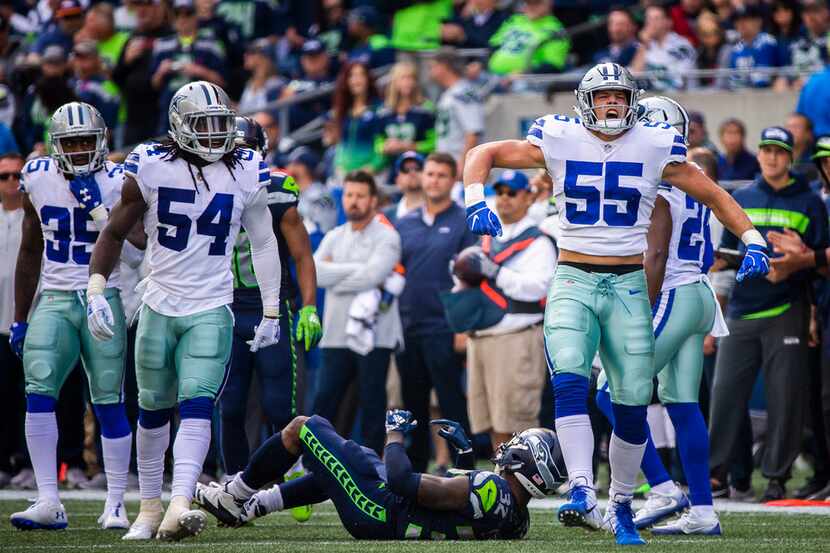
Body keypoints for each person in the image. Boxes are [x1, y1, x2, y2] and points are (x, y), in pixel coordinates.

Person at [461, 62, 769, 545]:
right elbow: (484, 151)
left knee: (630, 404)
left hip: (627, 284)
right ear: (586, 100)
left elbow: (711, 193)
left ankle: (621, 503)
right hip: (572, 276)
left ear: (632, 102)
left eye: (619, 97)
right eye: (603, 96)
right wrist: (475, 198)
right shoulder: (558, 136)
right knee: (569, 379)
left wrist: (752, 237)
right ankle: (582, 487)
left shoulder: (652, 143)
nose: (611, 104)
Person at [85, 81, 282, 541]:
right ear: (179, 126)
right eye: (204, 125)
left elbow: (264, 240)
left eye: (220, 125)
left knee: (196, 405)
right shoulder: (152, 164)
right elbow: (115, 232)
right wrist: (95, 289)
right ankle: (148, 510)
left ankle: (178, 502)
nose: (215, 135)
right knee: (152, 411)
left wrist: (272, 311)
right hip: (157, 302)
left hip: (212, 304)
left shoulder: (247, 167)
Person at [8, 102, 141, 531]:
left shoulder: (119, 180)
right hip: (55, 294)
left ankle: (116, 502)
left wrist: (103, 213)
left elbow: (140, 248)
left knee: (108, 399)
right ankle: (48, 498)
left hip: (106, 295)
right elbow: (30, 250)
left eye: (87, 141)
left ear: (101, 141)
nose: (81, 150)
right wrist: (20, 317)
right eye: (72, 142)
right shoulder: (38, 176)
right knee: (38, 388)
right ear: (56, 145)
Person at [594, 97, 723, 536]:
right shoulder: (695, 174)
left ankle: (664, 487)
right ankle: (704, 512)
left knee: (609, 392)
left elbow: (656, 253)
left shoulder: (662, 181)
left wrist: (637, 312)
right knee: (683, 405)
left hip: (672, 292)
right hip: (700, 293)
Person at [193, 412, 565, 540]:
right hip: (392, 515)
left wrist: (395, 432)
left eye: (521, 449)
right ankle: (254, 506)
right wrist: (466, 455)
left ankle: (236, 494)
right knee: (355, 458)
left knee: (304, 428)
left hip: (380, 508)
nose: (510, 450)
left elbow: (404, 480)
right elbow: (462, 506)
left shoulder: (490, 488)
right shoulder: (517, 519)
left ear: (531, 465)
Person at [708, 127, 829, 502]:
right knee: (725, 395)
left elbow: (820, 260)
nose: (772, 157)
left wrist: (794, 266)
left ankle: (776, 476)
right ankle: (717, 474)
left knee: (785, 399)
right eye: (766, 150)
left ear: (790, 157)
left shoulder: (809, 202)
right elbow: (723, 261)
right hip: (742, 310)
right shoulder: (741, 196)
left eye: (779, 151)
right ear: (758, 154)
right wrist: (716, 316)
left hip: (787, 308)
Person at [221, 117, 321, 480]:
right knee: (230, 405)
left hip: (272, 306)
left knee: (281, 405)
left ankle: (292, 473)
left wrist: (308, 307)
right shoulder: (205, 184)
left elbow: (301, 255)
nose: (239, 157)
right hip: (225, 307)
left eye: (246, 149)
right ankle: (235, 482)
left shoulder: (277, 188)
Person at [459, 170, 556, 450]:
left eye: (512, 193)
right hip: (481, 335)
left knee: (516, 419)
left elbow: (539, 288)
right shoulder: (487, 238)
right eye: (499, 192)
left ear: (529, 197)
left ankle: (520, 484)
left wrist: (496, 272)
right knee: (488, 418)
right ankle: (502, 481)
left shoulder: (538, 240)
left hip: (517, 336)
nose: (504, 199)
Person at [395, 151, 477, 473]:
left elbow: (471, 279)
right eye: (429, 174)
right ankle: (413, 476)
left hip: (445, 326)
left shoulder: (464, 221)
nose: (433, 180)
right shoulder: (404, 223)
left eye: (441, 175)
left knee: (450, 403)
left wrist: (463, 327)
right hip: (409, 326)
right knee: (412, 406)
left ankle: (465, 469)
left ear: (453, 179)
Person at [312, 171, 402, 455]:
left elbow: (372, 276)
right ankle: (316, 464)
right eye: (349, 195)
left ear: (373, 200)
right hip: (336, 333)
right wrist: (358, 269)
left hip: (377, 335)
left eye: (360, 195)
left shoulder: (387, 236)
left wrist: (337, 273)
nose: (353, 201)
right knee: (325, 403)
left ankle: (372, 468)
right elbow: (315, 274)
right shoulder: (334, 236)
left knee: (372, 404)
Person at [149, 0, 227, 134]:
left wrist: (199, 71)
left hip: (202, 111)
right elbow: (154, 85)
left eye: (188, 14)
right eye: (178, 14)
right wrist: (161, 72)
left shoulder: (211, 44)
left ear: (196, 16)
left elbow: (222, 82)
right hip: (170, 110)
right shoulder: (162, 45)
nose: (182, 19)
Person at [112, 0, 171, 145]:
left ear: (161, 8)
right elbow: (116, 79)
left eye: (147, 5)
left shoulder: (170, 37)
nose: (142, 10)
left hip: (161, 117)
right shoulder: (133, 38)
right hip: (133, 118)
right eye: (139, 5)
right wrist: (126, 62)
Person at [0, 153, 25, 489]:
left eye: (16, 176)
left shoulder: (33, 217)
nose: (10, 183)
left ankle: (27, 460)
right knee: (2, 394)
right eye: (3, 177)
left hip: (28, 319)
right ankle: (4, 459)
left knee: (32, 394)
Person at [430, 50, 484, 177]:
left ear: (443, 66)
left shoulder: (463, 93)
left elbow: (473, 132)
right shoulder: (449, 93)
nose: (431, 71)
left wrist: (464, 164)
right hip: (447, 163)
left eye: (433, 66)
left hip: (458, 164)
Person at [328, 61, 384, 178]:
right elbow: (341, 145)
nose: (356, 80)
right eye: (352, 75)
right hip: (344, 176)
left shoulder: (379, 109)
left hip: (371, 175)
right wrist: (339, 167)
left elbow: (383, 146)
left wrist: (371, 168)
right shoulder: (343, 111)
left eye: (361, 75)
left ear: (368, 79)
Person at [376, 61, 436, 165]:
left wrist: (411, 146)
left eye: (411, 78)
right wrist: (385, 147)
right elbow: (378, 143)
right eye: (403, 78)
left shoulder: (426, 109)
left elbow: (434, 143)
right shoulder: (383, 111)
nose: (408, 82)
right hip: (392, 168)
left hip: (419, 165)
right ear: (394, 81)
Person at [487, 0, 570, 75]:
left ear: (548, 4)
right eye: (528, 3)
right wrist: (480, 64)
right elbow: (494, 45)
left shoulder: (555, 30)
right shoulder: (514, 20)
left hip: (528, 81)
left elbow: (553, 65)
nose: (531, 7)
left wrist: (524, 73)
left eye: (536, 4)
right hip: (492, 75)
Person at [631, 4, 697, 91]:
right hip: (652, 97)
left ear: (668, 22)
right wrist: (644, 44)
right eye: (648, 18)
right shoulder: (645, 45)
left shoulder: (682, 46)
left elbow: (680, 82)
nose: (650, 23)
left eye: (656, 18)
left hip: (683, 97)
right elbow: (635, 76)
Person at [71, 41, 121, 135]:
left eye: (85, 57)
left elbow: (109, 126)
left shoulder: (106, 85)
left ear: (97, 59)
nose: (80, 61)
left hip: (94, 140)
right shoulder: (71, 83)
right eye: (77, 57)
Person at [286, 146, 338, 235]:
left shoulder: (321, 195)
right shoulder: (294, 193)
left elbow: (326, 230)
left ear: (304, 168)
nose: (288, 167)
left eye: (294, 164)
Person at [728, 5, 780, 89]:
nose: (741, 23)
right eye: (737, 20)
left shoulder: (767, 42)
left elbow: (762, 81)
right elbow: (733, 83)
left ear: (758, 21)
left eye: (746, 19)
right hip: (741, 97)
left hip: (766, 96)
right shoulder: (736, 49)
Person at [237, 39, 284, 115]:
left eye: (251, 52)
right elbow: (243, 110)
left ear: (263, 56)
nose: (245, 55)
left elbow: (272, 116)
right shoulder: (250, 83)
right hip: (246, 125)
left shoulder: (275, 84)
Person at [441, 0, 510, 50]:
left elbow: (492, 44)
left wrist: (464, 37)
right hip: (458, 62)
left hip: (485, 64)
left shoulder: (504, 18)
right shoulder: (457, 13)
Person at [345, 6, 394, 70]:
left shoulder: (380, 43)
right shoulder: (356, 45)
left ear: (364, 24)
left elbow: (387, 70)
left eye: (353, 20)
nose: (349, 23)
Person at [383, 151, 424, 225]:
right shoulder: (386, 216)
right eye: (405, 169)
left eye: (418, 168)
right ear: (397, 180)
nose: (412, 173)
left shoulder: (440, 209)